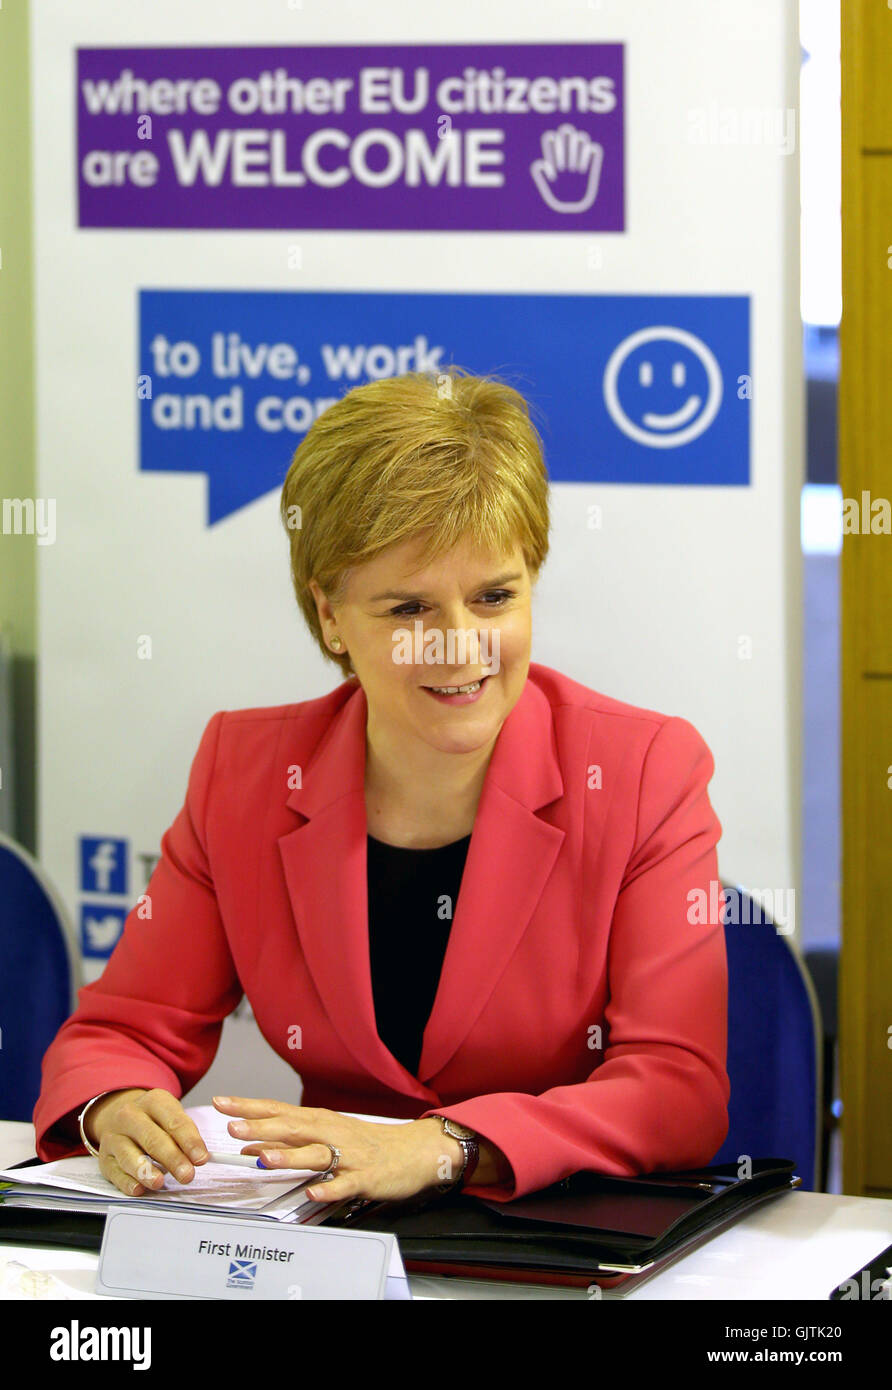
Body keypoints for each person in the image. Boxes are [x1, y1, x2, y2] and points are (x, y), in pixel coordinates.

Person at [33, 366, 729, 1207]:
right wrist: (115, 1105)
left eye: (494, 597)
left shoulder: (646, 770)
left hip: (555, 1230)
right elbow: (123, 1027)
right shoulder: (245, 773)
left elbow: (676, 1087)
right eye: (408, 610)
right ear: (330, 615)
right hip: (326, 1241)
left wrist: (444, 1147)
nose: (459, 645)